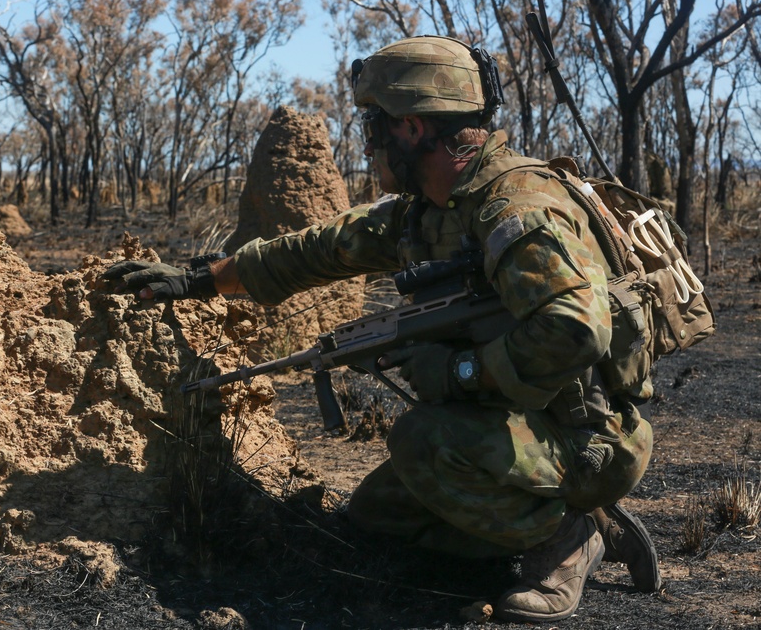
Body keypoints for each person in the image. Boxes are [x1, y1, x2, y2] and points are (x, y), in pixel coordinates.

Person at [104, 35, 659, 622]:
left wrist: (456, 371)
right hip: (508, 425)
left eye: (374, 126)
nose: (367, 144)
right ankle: (551, 519)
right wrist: (199, 279)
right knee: (374, 522)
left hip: (587, 438)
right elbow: (316, 250)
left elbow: (578, 330)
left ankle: (571, 535)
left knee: (421, 441)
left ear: (412, 128)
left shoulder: (514, 209)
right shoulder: (433, 208)